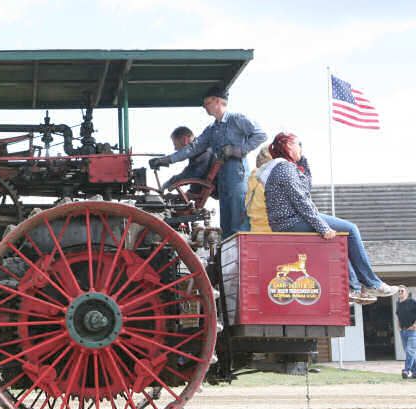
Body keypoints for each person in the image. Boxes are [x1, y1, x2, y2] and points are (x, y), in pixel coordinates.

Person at [263, 132, 399, 304]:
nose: (301, 148)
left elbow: (305, 187)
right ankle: (371, 283)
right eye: (299, 144)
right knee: (350, 229)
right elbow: (301, 200)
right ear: (289, 146)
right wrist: (323, 227)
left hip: (287, 221)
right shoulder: (285, 168)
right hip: (292, 221)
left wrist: (303, 160)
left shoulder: (282, 168)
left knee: (338, 238)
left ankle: (354, 288)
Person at [151, 85, 267, 237]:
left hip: (237, 173)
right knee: (226, 220)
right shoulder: (212, 129)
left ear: (218, 101)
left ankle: (241, 254)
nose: (205, 107)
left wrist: (238, 150)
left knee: (238, 218)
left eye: (207, 103)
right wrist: (167, 160)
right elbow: (193, 148)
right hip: (223, 176)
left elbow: (261, 135)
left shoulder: (237, 119)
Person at [160, 126, 215, 195]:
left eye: (175, 144)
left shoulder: (203, 153)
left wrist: (169, 183)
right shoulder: (199, 154)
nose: (175, 148)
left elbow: (190, 175)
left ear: (185, 140)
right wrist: (190, 193)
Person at [244, 146, 275, 232]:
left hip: (261, 227)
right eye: (259, 154)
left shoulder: (255, 176)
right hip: (263, 227)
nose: (259, 157)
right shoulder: (254, 175)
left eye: (263, 155)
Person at [396, 286, 416, 379]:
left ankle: (406, 370)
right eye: (399, 291)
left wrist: (415, 325)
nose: (400, 292)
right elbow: (398, 315)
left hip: (412, 331)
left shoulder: (412, 302)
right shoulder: (398, 303)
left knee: (410, 351)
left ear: (406, 293)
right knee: (410, 352)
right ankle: (415, 372)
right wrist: (398, 325)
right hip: (403, 331)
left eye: (402, 291)